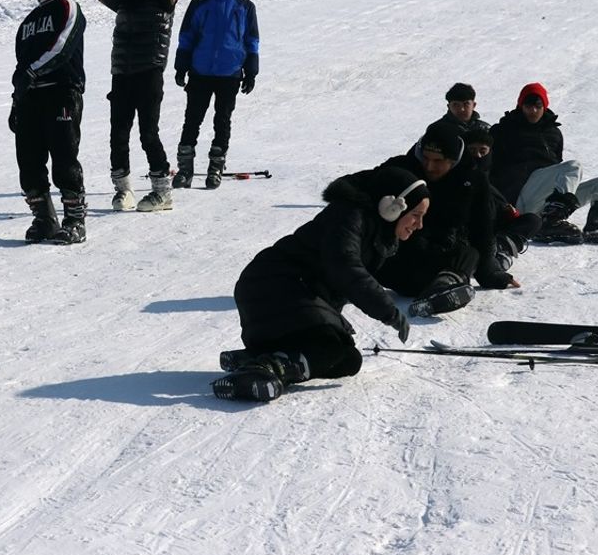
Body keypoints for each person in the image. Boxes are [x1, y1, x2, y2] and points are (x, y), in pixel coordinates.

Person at [214, 167, 428, 402]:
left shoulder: (378, 231)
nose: (419, 225)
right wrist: (387, 310)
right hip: (272, 286)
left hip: (291, 291)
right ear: (392, 207)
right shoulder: (349, 216)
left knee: (348, 360)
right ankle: (268, 368)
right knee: (329, 348)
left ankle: (253, 358)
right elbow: (345, 268)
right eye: (416, 215)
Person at [375, 122, 515, 318]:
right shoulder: (401, 168)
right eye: (425, 158)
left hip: (432, 265)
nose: (430, 166)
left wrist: (489, 272)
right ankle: (441, 288)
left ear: (454, 159)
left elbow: (481, 229)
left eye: (438, 161)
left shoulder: (472, 179)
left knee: (470, 254)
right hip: (390, 259)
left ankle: (443, 289)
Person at [488, 82, 598, 245]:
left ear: (544, 106)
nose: (533, 111)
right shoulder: (503, 130)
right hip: (520, 198)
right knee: (572, 167)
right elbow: (489, 167)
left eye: (538, 106)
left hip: (543, 199)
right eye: (528, 106)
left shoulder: (553, 133)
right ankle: (551, 221)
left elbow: (557, 166)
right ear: (520, 106)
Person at [9, 0, 88, 244]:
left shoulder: (67, 7)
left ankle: (75, 220)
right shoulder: (28, 22)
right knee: (28, 162)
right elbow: (21, 65)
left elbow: (62, 47)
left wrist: (32, 72)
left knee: (65, 158)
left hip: (62, 92)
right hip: (31, 98)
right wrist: (16, 101)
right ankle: (44, 219)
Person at [91, 0, 182, 212]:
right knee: (117, 134)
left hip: (150, 72)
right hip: (121, 73)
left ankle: (163, 192)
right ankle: (123, 190)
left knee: (148, 134)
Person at [171, 0, 260, 190]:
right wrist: (181, 65)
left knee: (222, 121)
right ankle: (184, 169)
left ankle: (215, 169)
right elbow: (186, 37)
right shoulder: (199, 4)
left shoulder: (245, 7)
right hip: (200, 71)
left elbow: (252, 41)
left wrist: (251, 69)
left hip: (229, 73)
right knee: (192, 120)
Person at [461, 122, 541, 271]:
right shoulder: (461, 174)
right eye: (472, 150)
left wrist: (508, 213)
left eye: (482, 150)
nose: (478, 155)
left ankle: (502, 247)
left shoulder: (494, 173)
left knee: (532, 220)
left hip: (494, 227)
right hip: (471, 230)